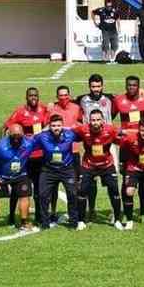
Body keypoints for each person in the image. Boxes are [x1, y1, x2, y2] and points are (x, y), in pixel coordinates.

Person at [2, 87, 49, 226]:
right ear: (26, 97)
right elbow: (4, 127)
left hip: (40, 156)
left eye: (35, 95)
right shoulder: (20, 112)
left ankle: (39, 217)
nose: (33, 97)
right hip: (24, 157)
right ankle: (11, 216)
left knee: (40, 188)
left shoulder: (44, 109)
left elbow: (49, 125)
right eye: (30, 95)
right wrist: (5, 147)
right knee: (18, 187)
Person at [26, 114, 81, 230]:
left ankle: (73, 222)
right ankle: (44, 223)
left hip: (67, 169)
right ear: (49, 126)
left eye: (59, 125)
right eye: (53, 126)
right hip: (48, 170)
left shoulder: (70, 134)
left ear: (63, 126)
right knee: (43, 195)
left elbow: (85, 135)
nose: (56, 128)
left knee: (72, 194)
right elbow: (28, 145)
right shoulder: (42, 137)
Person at [72, 109, 124, 230]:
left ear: (103, 121)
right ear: (89, 121)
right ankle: (81, 221)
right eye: (93, 120)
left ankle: (117, 220)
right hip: (88, 165)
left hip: (106, 165)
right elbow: (68, 133)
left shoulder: (111, 129)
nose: (95, 122)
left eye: (98, 120)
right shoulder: (83, 129)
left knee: (114, 191)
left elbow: (126, 135)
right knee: (82, 191)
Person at [75, 73, 115, 219]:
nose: (96, 89)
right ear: (89, 86)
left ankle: (113, 210)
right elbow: (65, 102)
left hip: (108, 142)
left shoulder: (110, 98)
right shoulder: (82, 100)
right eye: (93, 86)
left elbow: (131, 94)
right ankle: (90, 210)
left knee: (112, 181)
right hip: (90, 142)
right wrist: (52, 104)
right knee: (89, 180)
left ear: (102, 86)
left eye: (98, 86)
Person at [113, 75, 144, 223]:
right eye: (129, 85)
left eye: (134, 85)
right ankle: (126, 209)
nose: (131, 87)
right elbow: (110, 117)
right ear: (126, 86)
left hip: (143, 145)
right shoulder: (119, 101)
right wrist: (120, 131)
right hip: (126, 145)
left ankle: (142, 210)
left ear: (139, 86)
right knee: (126, 178)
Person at [0, 125, 37, 233]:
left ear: (23, 134)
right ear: (9, 134)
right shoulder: (0, 146)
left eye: (19, 135)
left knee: (25, 195)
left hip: (20, 175)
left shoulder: (29, 143)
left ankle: (24, 222)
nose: (17, 138)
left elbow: (41, 138)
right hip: (1, 177)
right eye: (14, 135)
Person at [47, 85, 83, 224]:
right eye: (60, 95)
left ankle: (74, 213)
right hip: (55, 152)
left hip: (73, 152)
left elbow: (81, 122)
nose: (63, 97)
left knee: (74, 186)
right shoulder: (51, 109)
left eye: (65, 95)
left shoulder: (76, 108)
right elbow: (46, 126)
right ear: (57, 97)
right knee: (53, 185)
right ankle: (53, 212)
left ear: (69, 95)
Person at [92, 0, 120, 64]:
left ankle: (112, 59)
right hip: (105, 30)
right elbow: (92, 12)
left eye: (110, 6)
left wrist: (119, 27)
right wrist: (95, 22)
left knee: (115, 45)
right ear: (105, 6)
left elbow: (118, 18)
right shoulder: (101, 10)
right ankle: (106, 59)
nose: (109, 7)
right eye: (108, 6)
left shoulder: (114, 11)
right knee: (106, 44)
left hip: (113, 31)